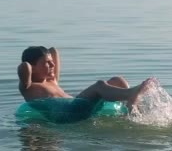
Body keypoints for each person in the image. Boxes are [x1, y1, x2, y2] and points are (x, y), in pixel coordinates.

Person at [17, 46, 154, 111]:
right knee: (99, 85)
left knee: (118, 80)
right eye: (47, 63)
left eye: (51, 62)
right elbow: (24, 67)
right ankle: (130, 94)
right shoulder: (29, 87)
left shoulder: (52, 81)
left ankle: (131, 106)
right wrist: (30, 63)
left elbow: (54, 50)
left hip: (77, 105)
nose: (52, 65)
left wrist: (46, 56)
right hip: (68, 114)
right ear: (33, 67)